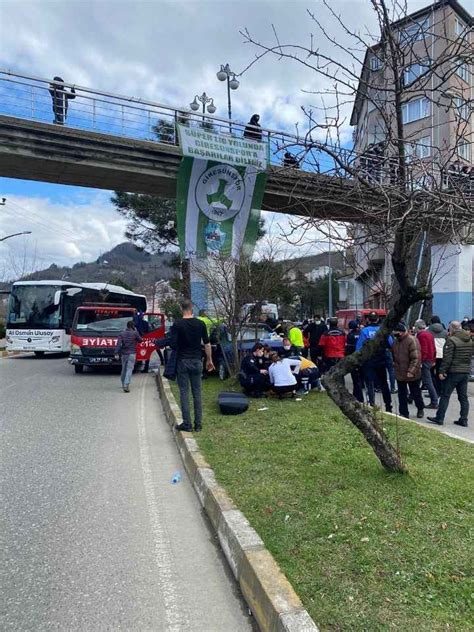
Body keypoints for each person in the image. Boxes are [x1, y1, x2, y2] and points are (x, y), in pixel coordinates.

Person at [171, 299, 214, 432]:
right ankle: (198, 424)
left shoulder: (177, 324)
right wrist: (209, 360)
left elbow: (173, 344)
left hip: (183, 361)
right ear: (192, 309)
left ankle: (187, 424)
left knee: (184, 393)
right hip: (197, 361)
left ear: (181, 309)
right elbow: (207, 343)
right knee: (197, 393)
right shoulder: (200, 324)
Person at [427, 320, 473, 427]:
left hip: (453, 371)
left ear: (452, 328)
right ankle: (464, 419)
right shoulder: (469, 340)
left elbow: (447, 358)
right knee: (463, 397)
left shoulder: (452, 340)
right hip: (465, 371)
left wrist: (442, 371)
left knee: (445, 395)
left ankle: (439, 417)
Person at [355, 312, 392, 412]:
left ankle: (372, 404)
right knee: (384, 383)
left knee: (369, 383)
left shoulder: (364, 331)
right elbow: (391, 343)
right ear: (377, 319)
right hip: (381, 360)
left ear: (368, 320)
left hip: (368, 361)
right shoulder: (383, 330)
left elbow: (358, 348)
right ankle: (388, 406)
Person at [391, 323, 424, 419]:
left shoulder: (412, 340)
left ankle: (420, 408)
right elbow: (394, 355)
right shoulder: (396, 342)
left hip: (412, 373)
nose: (394, 334)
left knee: (415, 392)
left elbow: (416, 358)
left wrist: (411, 371)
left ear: (401, 332)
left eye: (396, 332)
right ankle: (404, 413)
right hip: (400, 372)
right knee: (402, 394)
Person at [414, 319, 438, 409]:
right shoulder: (429, 334)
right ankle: (411, 396)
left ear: (417, 327)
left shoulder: (421, 335)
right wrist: (434, 359)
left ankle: (434, 401)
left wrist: (420, 361)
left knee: (427, 382)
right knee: (419, 380)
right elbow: (433, 348)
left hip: (424, 361)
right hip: (430, 359)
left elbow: (423, 350)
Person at [115, 320, 142, 393]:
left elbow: (118, 344)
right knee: (129, 369)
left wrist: (116, 353)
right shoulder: (135, 333)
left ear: (126, 326)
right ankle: (126, 385)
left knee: (124, 369)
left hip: (124, 354)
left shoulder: (121, 333)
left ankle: (123, 382)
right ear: (133, 326)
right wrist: (136, 331)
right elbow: (140, 340)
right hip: (132, 353)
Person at [345, 320, 364, 403]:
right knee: (361, 378)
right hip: (362, 358)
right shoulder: (361, 333)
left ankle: (358, 397)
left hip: (353, 358)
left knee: (355, 379)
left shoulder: (350, 335)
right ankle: (357, 395)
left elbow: (348, 348)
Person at [428, 318, 447, 394]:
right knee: (440, 373)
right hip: (442, 355)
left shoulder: (428, 331)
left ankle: (434, 391)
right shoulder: (445, 332)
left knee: (430, 374)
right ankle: (441, 390)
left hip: (432, 355)